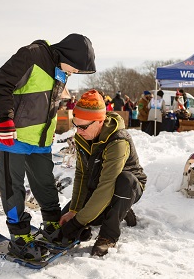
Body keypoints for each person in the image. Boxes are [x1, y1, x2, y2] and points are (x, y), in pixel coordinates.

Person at [0, 33, 96, 261]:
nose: (74, 73)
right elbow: (0, 84)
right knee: (13, 187)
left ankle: (50, 224)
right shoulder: (31, 55)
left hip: (41, 140)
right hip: (14, 135)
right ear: (68, 55)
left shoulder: (61, 69)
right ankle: (19, 236)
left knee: (45, 183)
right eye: (76, 68)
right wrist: (5, 119)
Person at [59, 89, 146, 257]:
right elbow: (82, 175)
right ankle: (118, 210)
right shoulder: (83, 135)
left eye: (83, 126)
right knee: (65, 218)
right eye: (75, 125)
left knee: (124, 181)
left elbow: (107, 186)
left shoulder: (118, 141)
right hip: (99, 183)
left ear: (100, 121)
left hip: (128, 186)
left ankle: (108, 235)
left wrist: (78, 222)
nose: (78, 131)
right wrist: (74, 211)